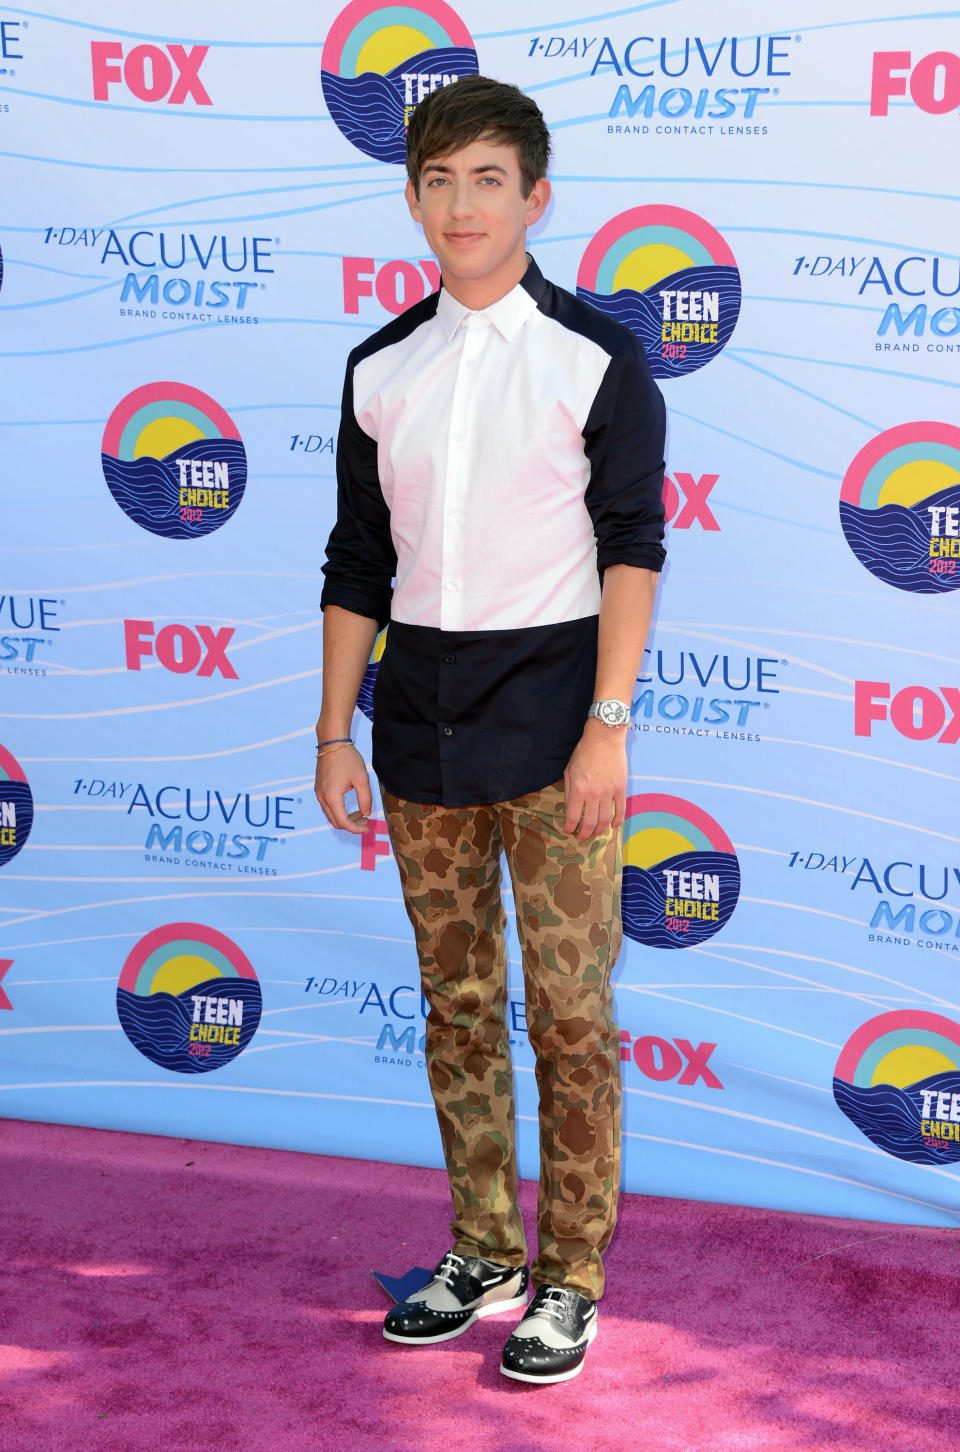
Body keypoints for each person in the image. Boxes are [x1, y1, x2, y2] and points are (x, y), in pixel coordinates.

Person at [315, 74, 665, 1384]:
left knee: (572, 1014)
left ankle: (570, 1277)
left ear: (536, 196)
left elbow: (633, 549)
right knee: (458, 1005)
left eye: (487, 180)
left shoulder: (597, 358)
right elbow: (358, 560)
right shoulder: (378, 367)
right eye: (439, 181)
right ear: (411, 198)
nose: (462, 206)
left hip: (558, 733)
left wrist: (609, 727)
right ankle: (483, 1251)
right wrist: (332, 732)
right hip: (416, 734)